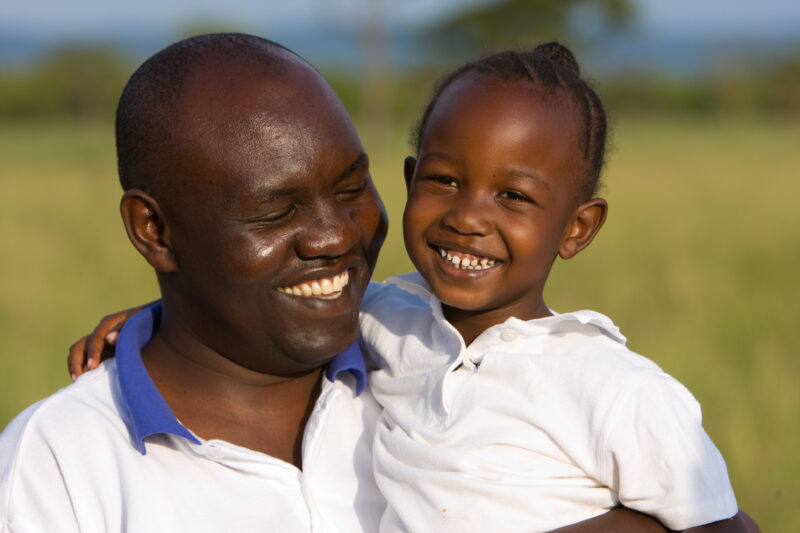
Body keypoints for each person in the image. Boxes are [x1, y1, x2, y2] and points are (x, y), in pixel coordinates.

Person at [1, 33, 676, 533]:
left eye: (353, 188)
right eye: (277, 210)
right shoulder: (57, 463)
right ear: (154, 231)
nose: (336, 237)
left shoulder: (420, 366)